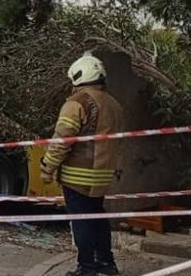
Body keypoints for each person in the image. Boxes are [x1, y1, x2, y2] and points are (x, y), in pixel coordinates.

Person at [41, 52, 123, 276]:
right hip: (103, 176)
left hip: (78, 175)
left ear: (79, 76)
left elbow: (62, 140)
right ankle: (107, 263)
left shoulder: (78, 102)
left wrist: (47, 167)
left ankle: (87, 267)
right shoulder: (114, 104)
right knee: (97, 217)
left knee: (81, 221)